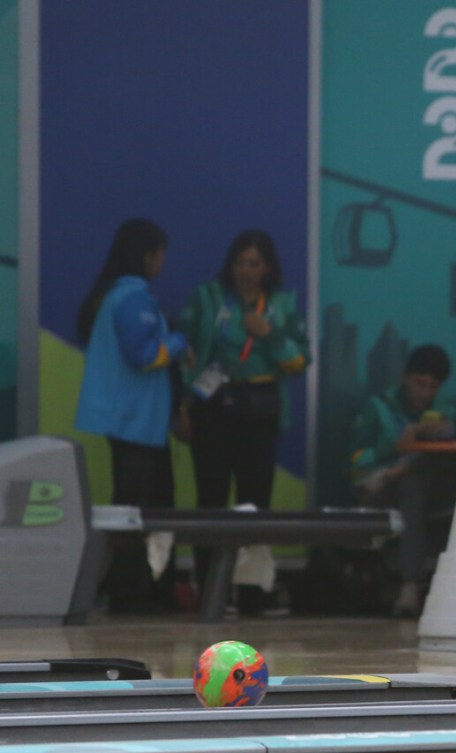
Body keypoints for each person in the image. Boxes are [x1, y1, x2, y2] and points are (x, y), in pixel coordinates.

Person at [178, 229, 311, 608]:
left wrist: (269, 335)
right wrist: (183, 405)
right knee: (211, 497)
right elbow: (188, 354)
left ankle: (253, 594)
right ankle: (211, 592)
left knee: (255, 499)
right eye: (239, 262)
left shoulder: (282, 304)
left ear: (267, 267)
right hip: (214, 402)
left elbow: (299, 362)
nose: (246, 271)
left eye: (254, 263)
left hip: (260, 404)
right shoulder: (209, 297)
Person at [75, 219, 193, 613]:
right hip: (134, 424)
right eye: (160, 254)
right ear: (147, 255)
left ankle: (146, 590)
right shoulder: (132, 299)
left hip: (142, 424)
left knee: (149, 508)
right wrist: (178, 340)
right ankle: (125, 591)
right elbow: (144, 357)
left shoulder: (117, 296)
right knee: (133, 513)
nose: (162, 262)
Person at [347, 344, 456, 617]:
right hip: (381, 487)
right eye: (419, 384)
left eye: (432, 387)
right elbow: (353, 464)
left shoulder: (444, 411)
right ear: (405, 377)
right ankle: (410, 585)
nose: (425, 393)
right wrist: (398, 445)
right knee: (413, 487)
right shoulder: (378, 408)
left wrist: (449, 437)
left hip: (431, 487)